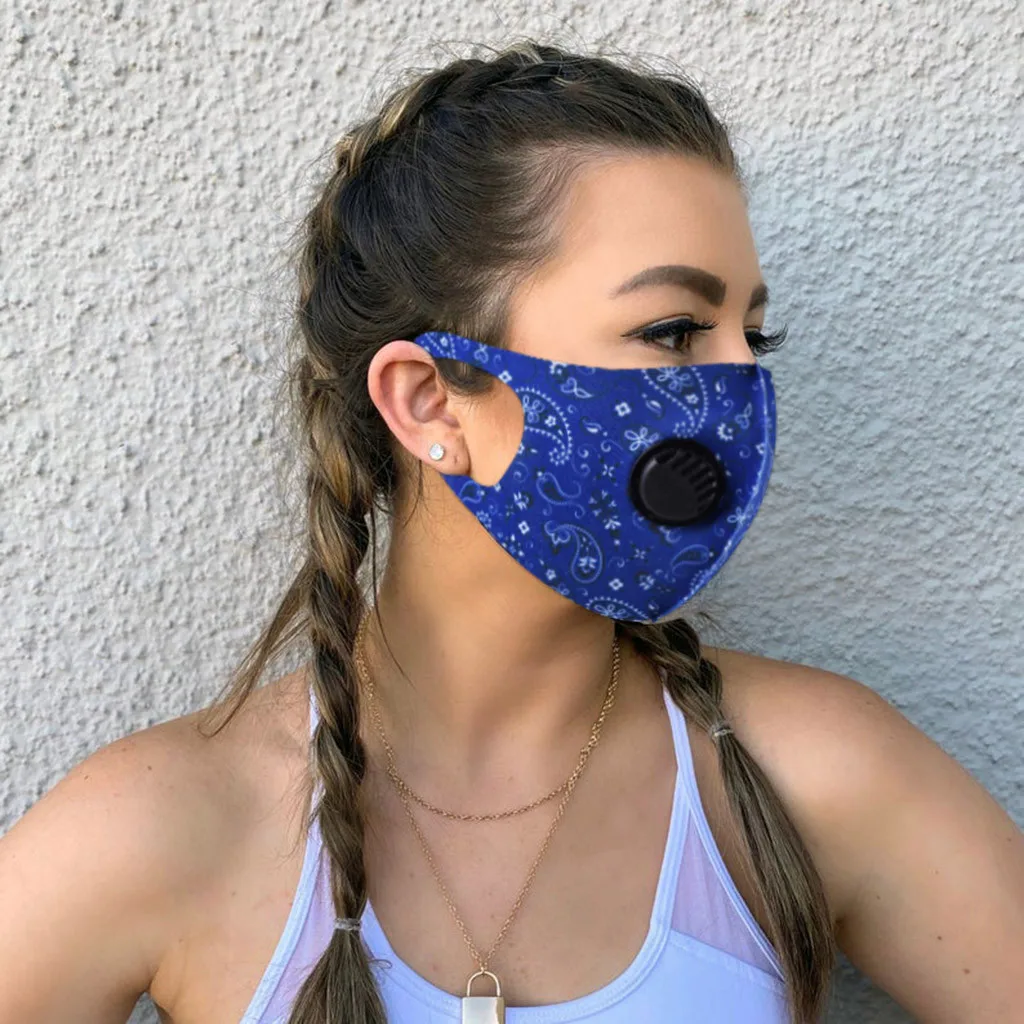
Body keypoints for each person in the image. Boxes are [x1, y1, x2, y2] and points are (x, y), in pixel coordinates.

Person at [1, 39, 1021, 1024]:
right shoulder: (166, 826)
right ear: (429, 401)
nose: (739, 390)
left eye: (753, 336)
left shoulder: (814, 776)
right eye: (673, 331)